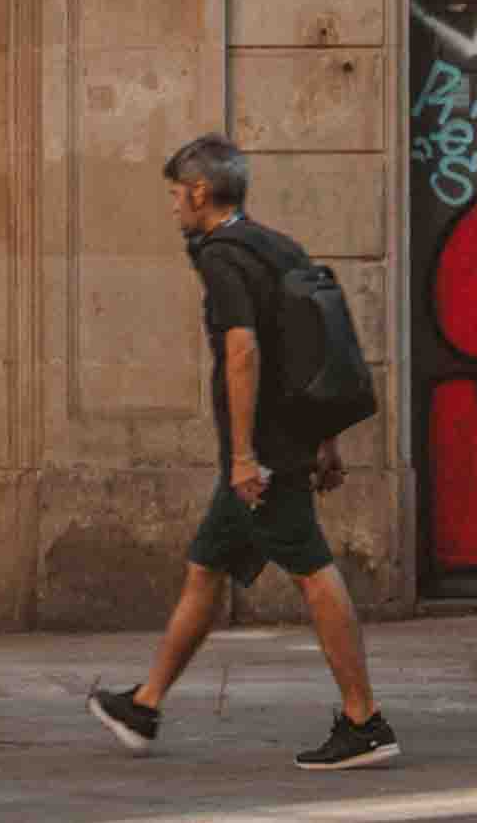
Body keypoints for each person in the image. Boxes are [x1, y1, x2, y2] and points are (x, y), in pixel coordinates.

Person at [87, 132, 396, 776]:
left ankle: (364, 720)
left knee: (313, 570)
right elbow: (319, 346)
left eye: (176, 195)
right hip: (287, 442)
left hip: (263, 455)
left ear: (200, 192)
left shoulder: (222, 255)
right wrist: (327, 441)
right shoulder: (280, 246)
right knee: (205, 568)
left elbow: (245, 351)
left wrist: (246, 457)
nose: (174, 208)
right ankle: (144, 706)